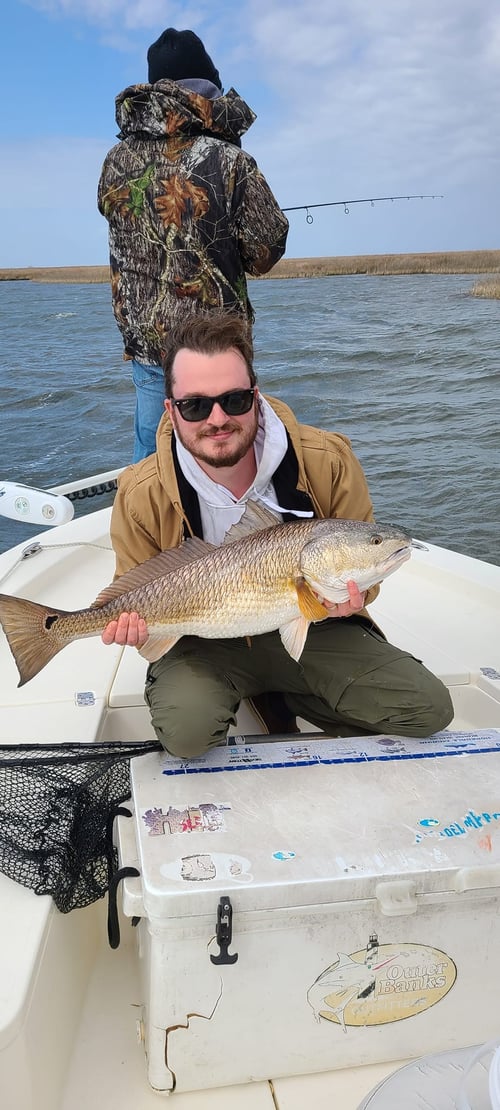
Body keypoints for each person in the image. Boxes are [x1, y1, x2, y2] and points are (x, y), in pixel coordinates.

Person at [101, 312, 454, 758]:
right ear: (171, 410)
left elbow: (365, 565)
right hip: (200, 640)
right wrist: (130, 627)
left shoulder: (328, 459)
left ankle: (284, 694)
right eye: (195, 405)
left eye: (233, 399)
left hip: (317, 626)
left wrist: (354, 595)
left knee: (427, 710)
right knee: (187, 735)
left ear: (256, 394)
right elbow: (131, 586)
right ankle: (256, 690)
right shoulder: (139, 491)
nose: (217, 418)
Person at [97, 26, 288, 463]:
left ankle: (148, 525)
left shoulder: (114, 161)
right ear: (209, 86)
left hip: (147, 347)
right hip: (218, 354)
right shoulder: (228, 159)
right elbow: (265, 252)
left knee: (153, 458)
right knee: (228, 454)